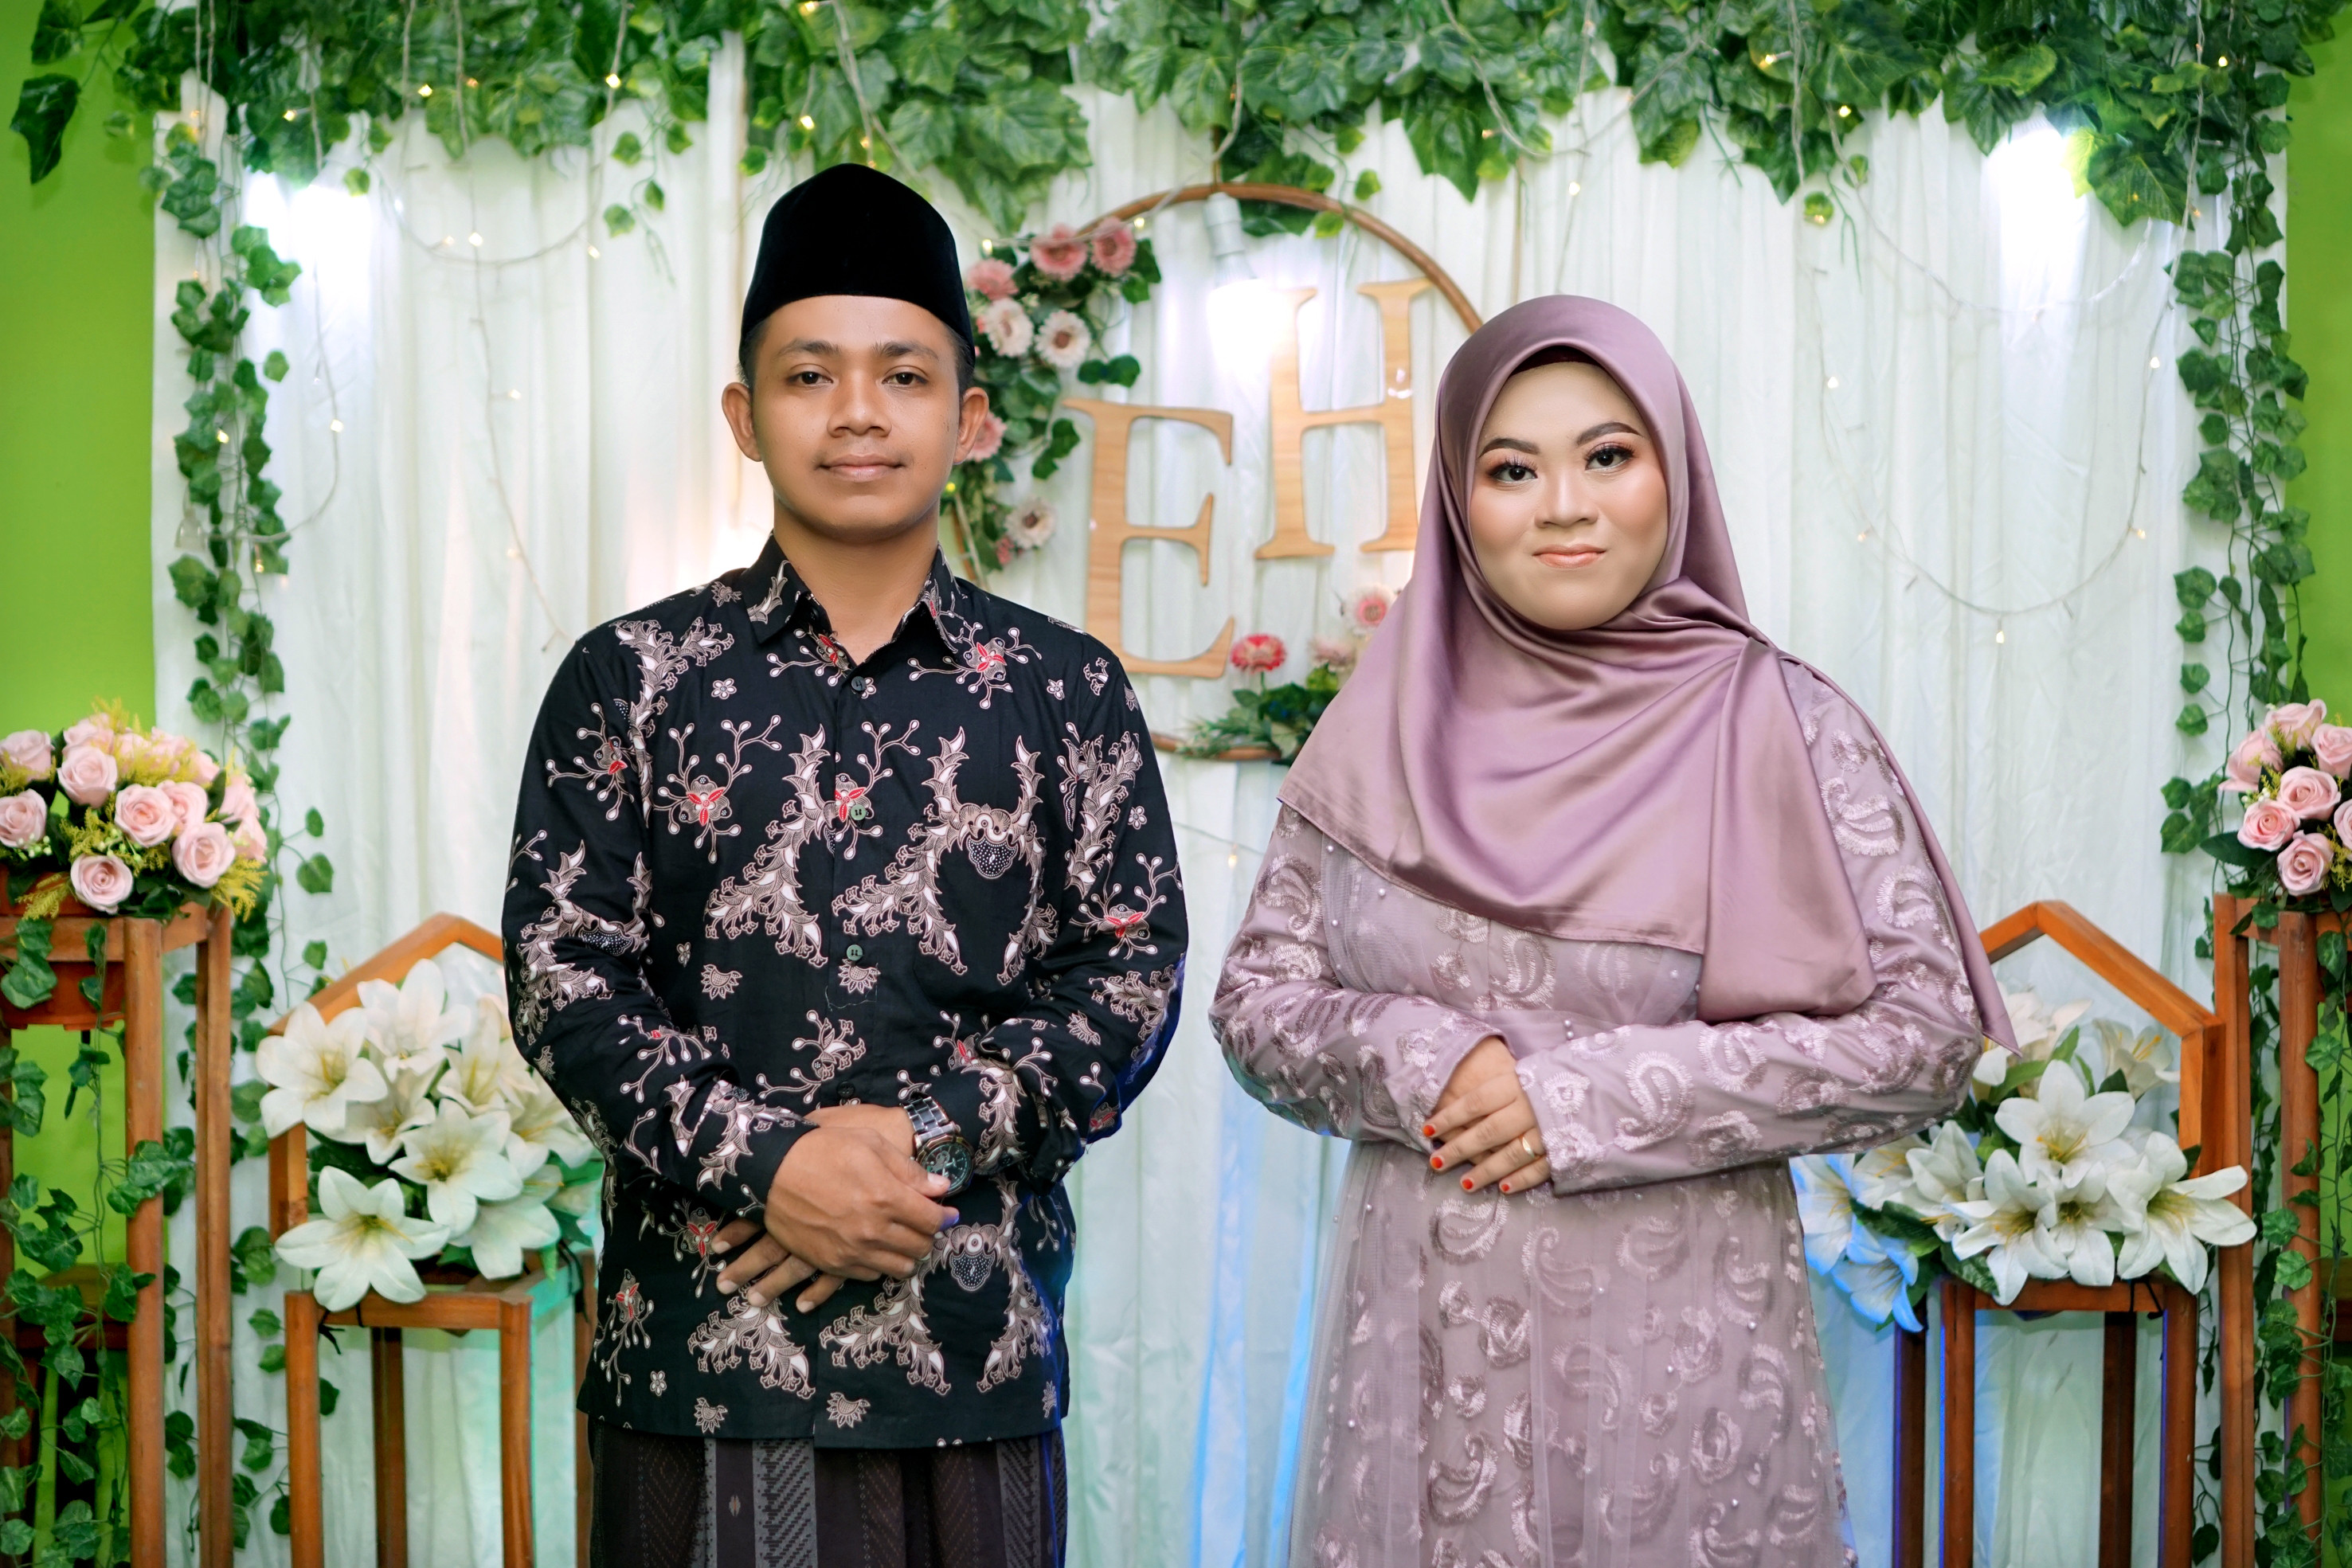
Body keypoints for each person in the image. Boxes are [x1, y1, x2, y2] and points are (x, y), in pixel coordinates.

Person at [1210, 296, 2014, 1566]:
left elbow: (1923, 1034)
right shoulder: (1383, 720)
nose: (1563, 506)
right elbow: (1257, 1002)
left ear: (1672, 472)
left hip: (1682, 1362)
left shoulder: (1783, 725)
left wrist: (1585, 1096)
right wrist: (1425, 1059)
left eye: (1605, 455)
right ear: (1456, 497)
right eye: (1510, 470)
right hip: (1423, 1361)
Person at [503, 163, 1187, 1568]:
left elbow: (1126, 979)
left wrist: (917, 1143)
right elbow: (563, 976)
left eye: (904, 375)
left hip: (967, 1351)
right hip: (700, 1355)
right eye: (810, 374)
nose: (859, 411)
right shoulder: (629, 678)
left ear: (971, 418)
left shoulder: (1065, 689)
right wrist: (770, 1165)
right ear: (744, 416)